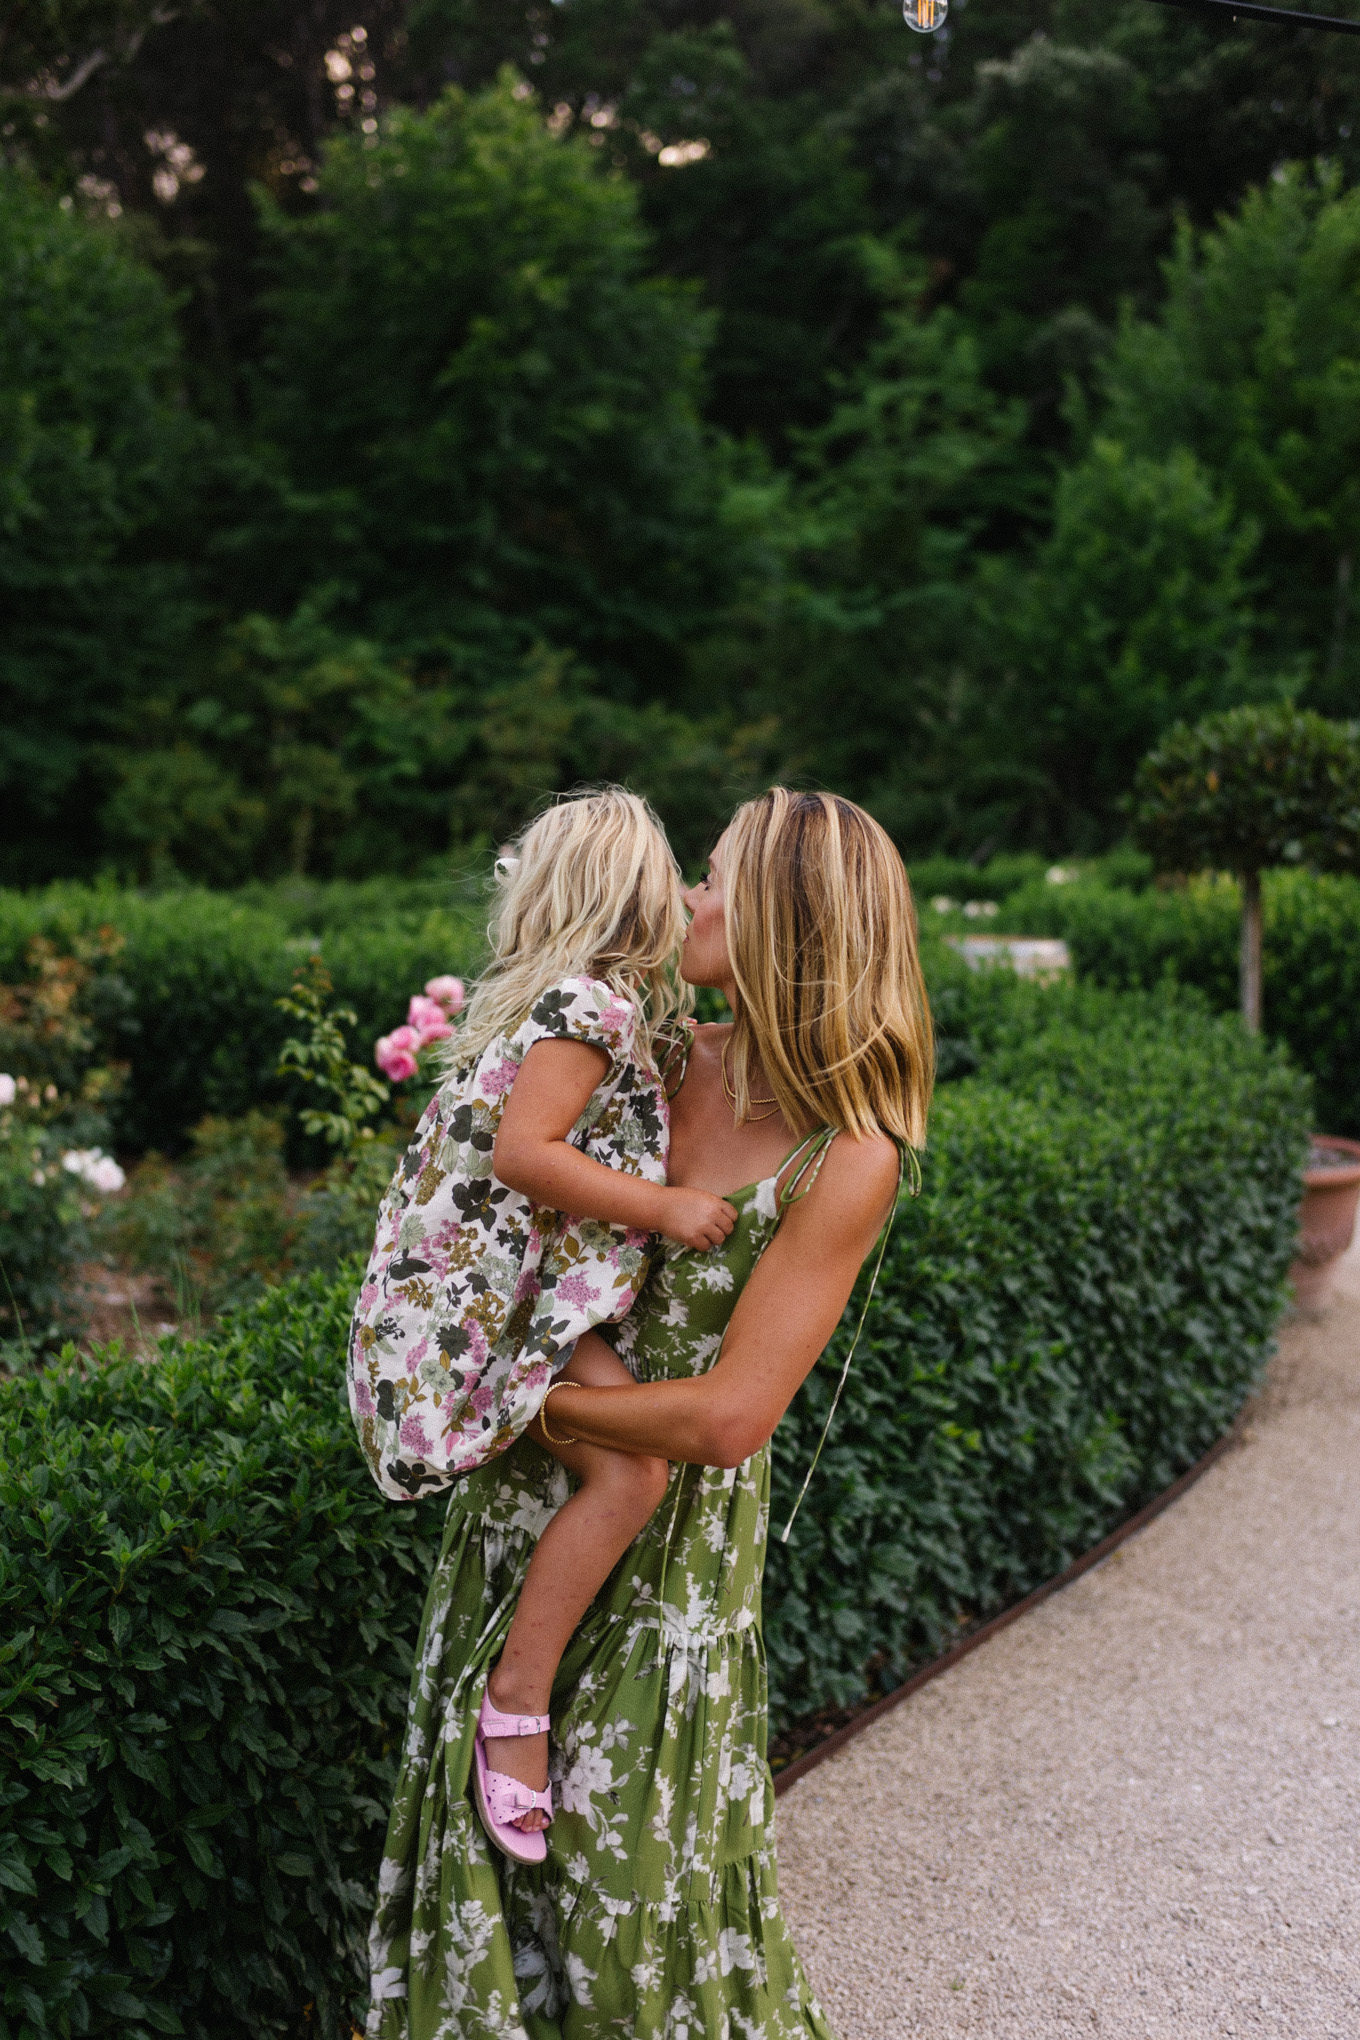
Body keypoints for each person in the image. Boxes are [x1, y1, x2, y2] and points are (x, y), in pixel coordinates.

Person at [365, 787, 934, 2040]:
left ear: (787, 920)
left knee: (627, 1894)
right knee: (490, 1886)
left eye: (715, 876)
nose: (685, 897)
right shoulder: (655, 1050)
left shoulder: (849, 1150)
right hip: (523, 1517)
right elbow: (494, 1180)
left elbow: (730, 1420)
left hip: (667, 1545)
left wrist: (523, 1402)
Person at [349, 787, 737, 1863]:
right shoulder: (591, 1006)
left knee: (627, 1473)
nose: (689, 894)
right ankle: (517, 1703)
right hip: (499, 1303)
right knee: (631, 1475)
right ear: (629, 895)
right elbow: (527, 1153)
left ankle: (522, 1697)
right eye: (676, 876)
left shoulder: (588, 1003)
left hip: (514, 1296)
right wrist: (662, 1207)